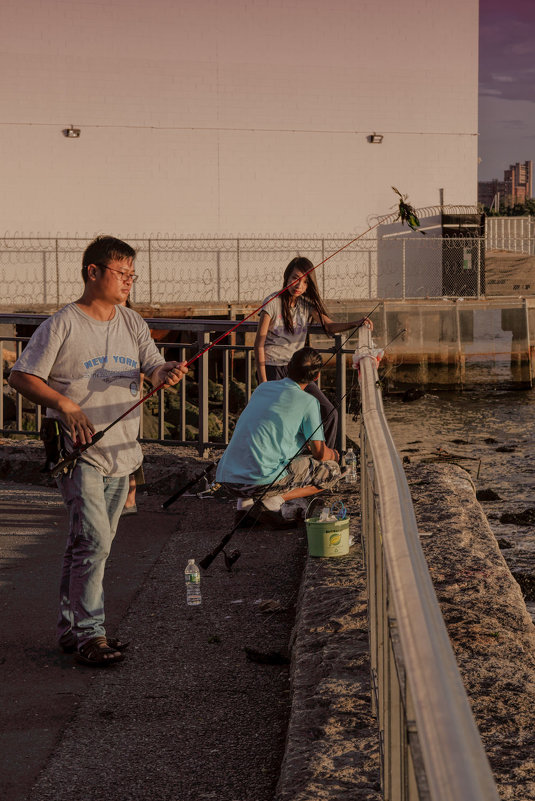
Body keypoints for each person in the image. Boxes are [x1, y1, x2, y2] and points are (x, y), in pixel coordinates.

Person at [9, 236, 187, 666]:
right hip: (80, 452)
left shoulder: (131, 322)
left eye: (132, 274)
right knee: (94, 541)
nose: (128, 281)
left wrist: (166, 372)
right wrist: (66, 405)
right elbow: (21, 376)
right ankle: (92, 634)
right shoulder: (62, 324)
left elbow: (152, 363)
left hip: (123, 452)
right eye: (121, 273)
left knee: (85, 542)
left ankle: (71, 629)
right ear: (93, 272)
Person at [254, 256, 372, 450]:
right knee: (280, 418)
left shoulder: (306, 305)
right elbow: (259, 344)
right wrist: (263, 383)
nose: (299, 285)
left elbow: (329, 325)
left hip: (298, 370)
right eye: (295, 278)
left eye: (305, 281)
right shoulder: (272, 302)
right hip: (273, 368)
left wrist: (355, 323)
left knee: (329, 412)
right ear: (286, 277)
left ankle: (324, 461)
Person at [216, 347, 341, 527]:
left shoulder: (262, 388)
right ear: (316, 377)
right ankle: (273, 500)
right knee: (332, 471)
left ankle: (244, 506)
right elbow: (320, 453)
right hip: (259, 483)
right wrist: (334, 455)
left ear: (288, 366)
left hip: (228, 479)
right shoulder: (309, 402)